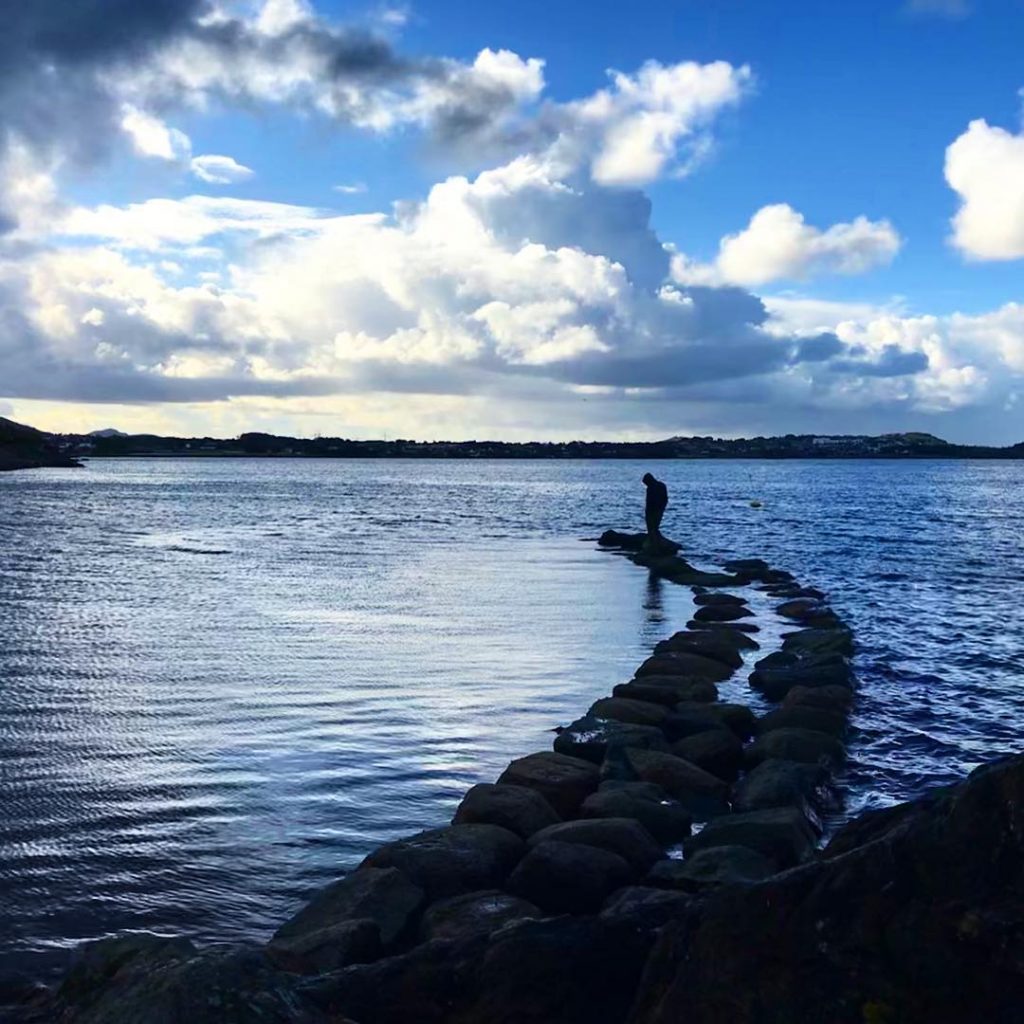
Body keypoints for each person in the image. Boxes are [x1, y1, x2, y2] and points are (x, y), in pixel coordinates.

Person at [642, 472, 668, 543]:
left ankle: (654, 541)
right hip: (657, 509)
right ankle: (654, 539)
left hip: (655, 509)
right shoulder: (661, 486)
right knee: (654, 526)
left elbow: (649, 501)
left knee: (653, 526)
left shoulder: (653, 488)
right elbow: (665, 499)